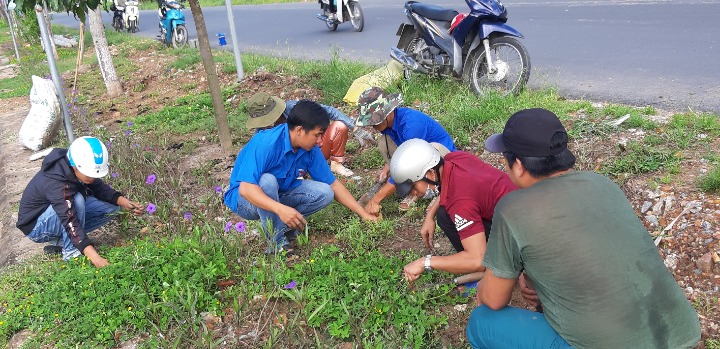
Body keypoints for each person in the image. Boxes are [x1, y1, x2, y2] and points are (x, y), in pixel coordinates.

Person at [468, 108, 701, 348]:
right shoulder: (602, 183)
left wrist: (485, 287)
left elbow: (494, 300)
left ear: (518, 165)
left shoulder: (513, 208)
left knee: (482, 321)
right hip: (681, 334)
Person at [224, 99, 378, 254]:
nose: (319, 142)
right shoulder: (265, 142)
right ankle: (276, 245)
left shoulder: (309, 148)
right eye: (317, 135)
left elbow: (333, 185)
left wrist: (363, 214)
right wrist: (281, 209)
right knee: (267, 181)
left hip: (280, 191)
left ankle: (283, 226)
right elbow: (246, 189)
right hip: (244, 200)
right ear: (299, 130)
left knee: (325, 193)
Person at [390, 139, 517, 283]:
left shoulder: (460, 201)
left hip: (519, 236)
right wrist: (429, 216)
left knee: (450, 219)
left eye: (413, 186)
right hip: (517, 209)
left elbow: (477, 259)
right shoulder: (454, 159)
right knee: (443, 214)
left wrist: (425, 262)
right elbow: (449, 189)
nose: (413, 193)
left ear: (431, 174)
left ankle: (489, 269)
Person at [16, 136, 145, 268]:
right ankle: (71, 252)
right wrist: (96, 259)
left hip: (59, 213)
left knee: (113, 208)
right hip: (37, 227)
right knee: (77, 200)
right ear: (75, 166)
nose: (92, 178)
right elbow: (69, 219)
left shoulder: (76, 166)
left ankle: (66, 241)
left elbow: (99, 188)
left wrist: (126, 203)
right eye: (89, 174)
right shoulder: (57, 181)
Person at [355, 86, 456, 213]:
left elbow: (409, 160)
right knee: (383, 143)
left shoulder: (411, 126)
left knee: (430, 154)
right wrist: (388, 167)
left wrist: (376, 199)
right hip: (419, 155)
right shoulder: (390, 125)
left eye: (375, 122)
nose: (373, 126)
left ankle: (439, 188)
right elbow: (402, 149)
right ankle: (416, 185)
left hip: (444, 158)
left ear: (387, 113)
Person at [245, 91, 368, 177]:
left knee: (339, 127)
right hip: (291, 163)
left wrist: (355, 128)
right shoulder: (262, 134)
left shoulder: (295, 108)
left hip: (314, 149)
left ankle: (335, 164)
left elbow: (329, 111)